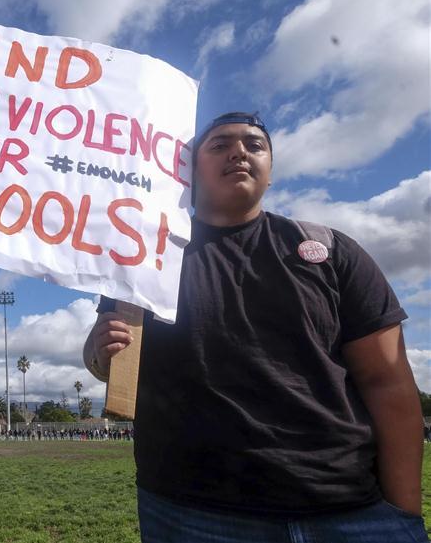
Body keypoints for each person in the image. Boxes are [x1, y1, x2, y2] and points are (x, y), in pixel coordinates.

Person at [84, 112, 426, 542]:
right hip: (191, 512)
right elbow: (105, 358)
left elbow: (387, 381)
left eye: (254, 144)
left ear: (271, 171)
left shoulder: (331, 250)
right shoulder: (143, 256)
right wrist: (98, 354)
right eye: (220, 144)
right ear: (188, 171)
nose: (239, 152)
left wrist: (403, 514)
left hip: (349, 509)